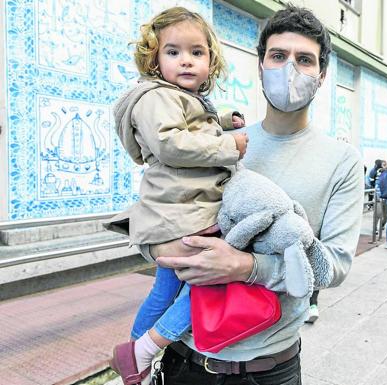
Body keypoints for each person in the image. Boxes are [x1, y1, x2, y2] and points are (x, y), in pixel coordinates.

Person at [138, 6, 363, 383]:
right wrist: (160, 249)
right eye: (278, 56)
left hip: (267, 368)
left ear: (322, 75)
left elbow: (334, 267)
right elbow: (159, 208)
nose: (290, 68)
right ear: (260, 65)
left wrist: (245, 267)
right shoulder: (215, 142)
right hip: (185, 358)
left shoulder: (342, 160)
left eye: (304, 60)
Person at [103, 7, 249, 384]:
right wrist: (229, 145)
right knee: (213, 279)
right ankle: (145, 349)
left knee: (163, 291)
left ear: (210, 61)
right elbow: (172, 143)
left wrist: (227, 115)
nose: (186, 60)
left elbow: (192, 120)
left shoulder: (174, 98)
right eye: (173, 52)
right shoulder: (155, 99)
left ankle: (131, 360)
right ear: (154, 59)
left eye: (197, 53)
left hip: (174, 216)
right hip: (180, 219)